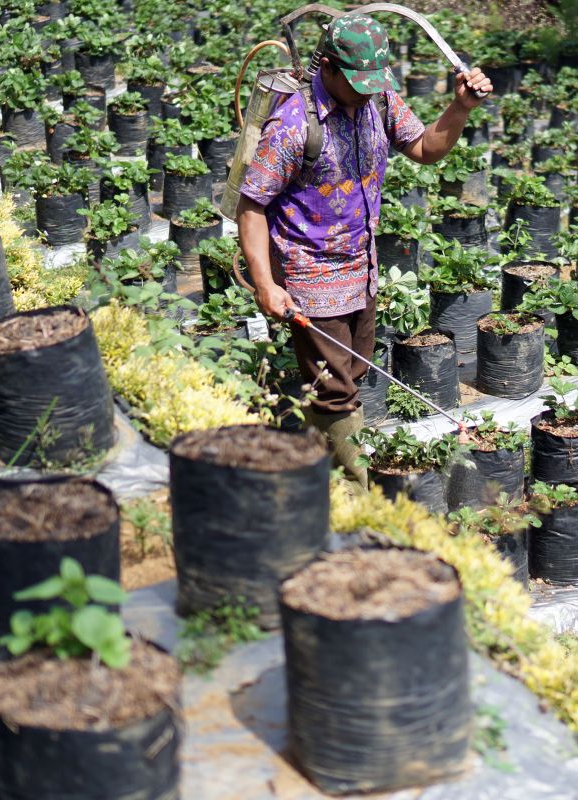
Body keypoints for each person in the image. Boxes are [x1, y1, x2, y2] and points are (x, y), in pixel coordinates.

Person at [237, 12, 492, 487]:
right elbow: (252, 206)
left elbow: (424, 149)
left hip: (363, 266)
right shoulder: (293, 125)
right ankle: (358, 493)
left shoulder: (378, 101)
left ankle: (317, 471)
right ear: (327, 67)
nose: (367, 90)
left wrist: (459, 109)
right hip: (310, 273)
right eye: (357, 82)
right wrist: (265, 284)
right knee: (335, 391)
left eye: (375, 82)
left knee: (349, 375)